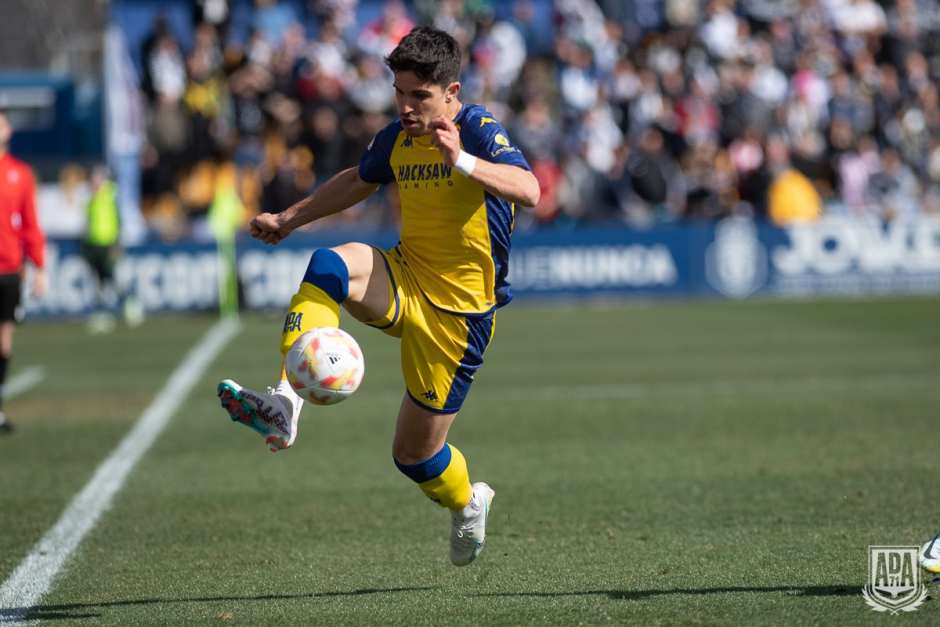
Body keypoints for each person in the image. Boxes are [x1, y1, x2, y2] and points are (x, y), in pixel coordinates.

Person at [217, 26, 539, 566]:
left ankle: (467, 503)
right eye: (400, 92)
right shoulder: (396, 137)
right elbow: (357, 181)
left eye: (421, 95)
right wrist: (288, 220)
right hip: (406, 274)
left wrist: (462, 160)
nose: (408, 106)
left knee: (414, 456)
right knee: (329, 266)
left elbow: (530, 190)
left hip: (459, 319)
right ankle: (284, 400)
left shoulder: (478, 128)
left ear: (452, 94)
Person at [0, 111, 46, 433]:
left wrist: (38, 266)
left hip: (9, 269)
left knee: (3, 343)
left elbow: (30, 225)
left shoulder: (20, 173)